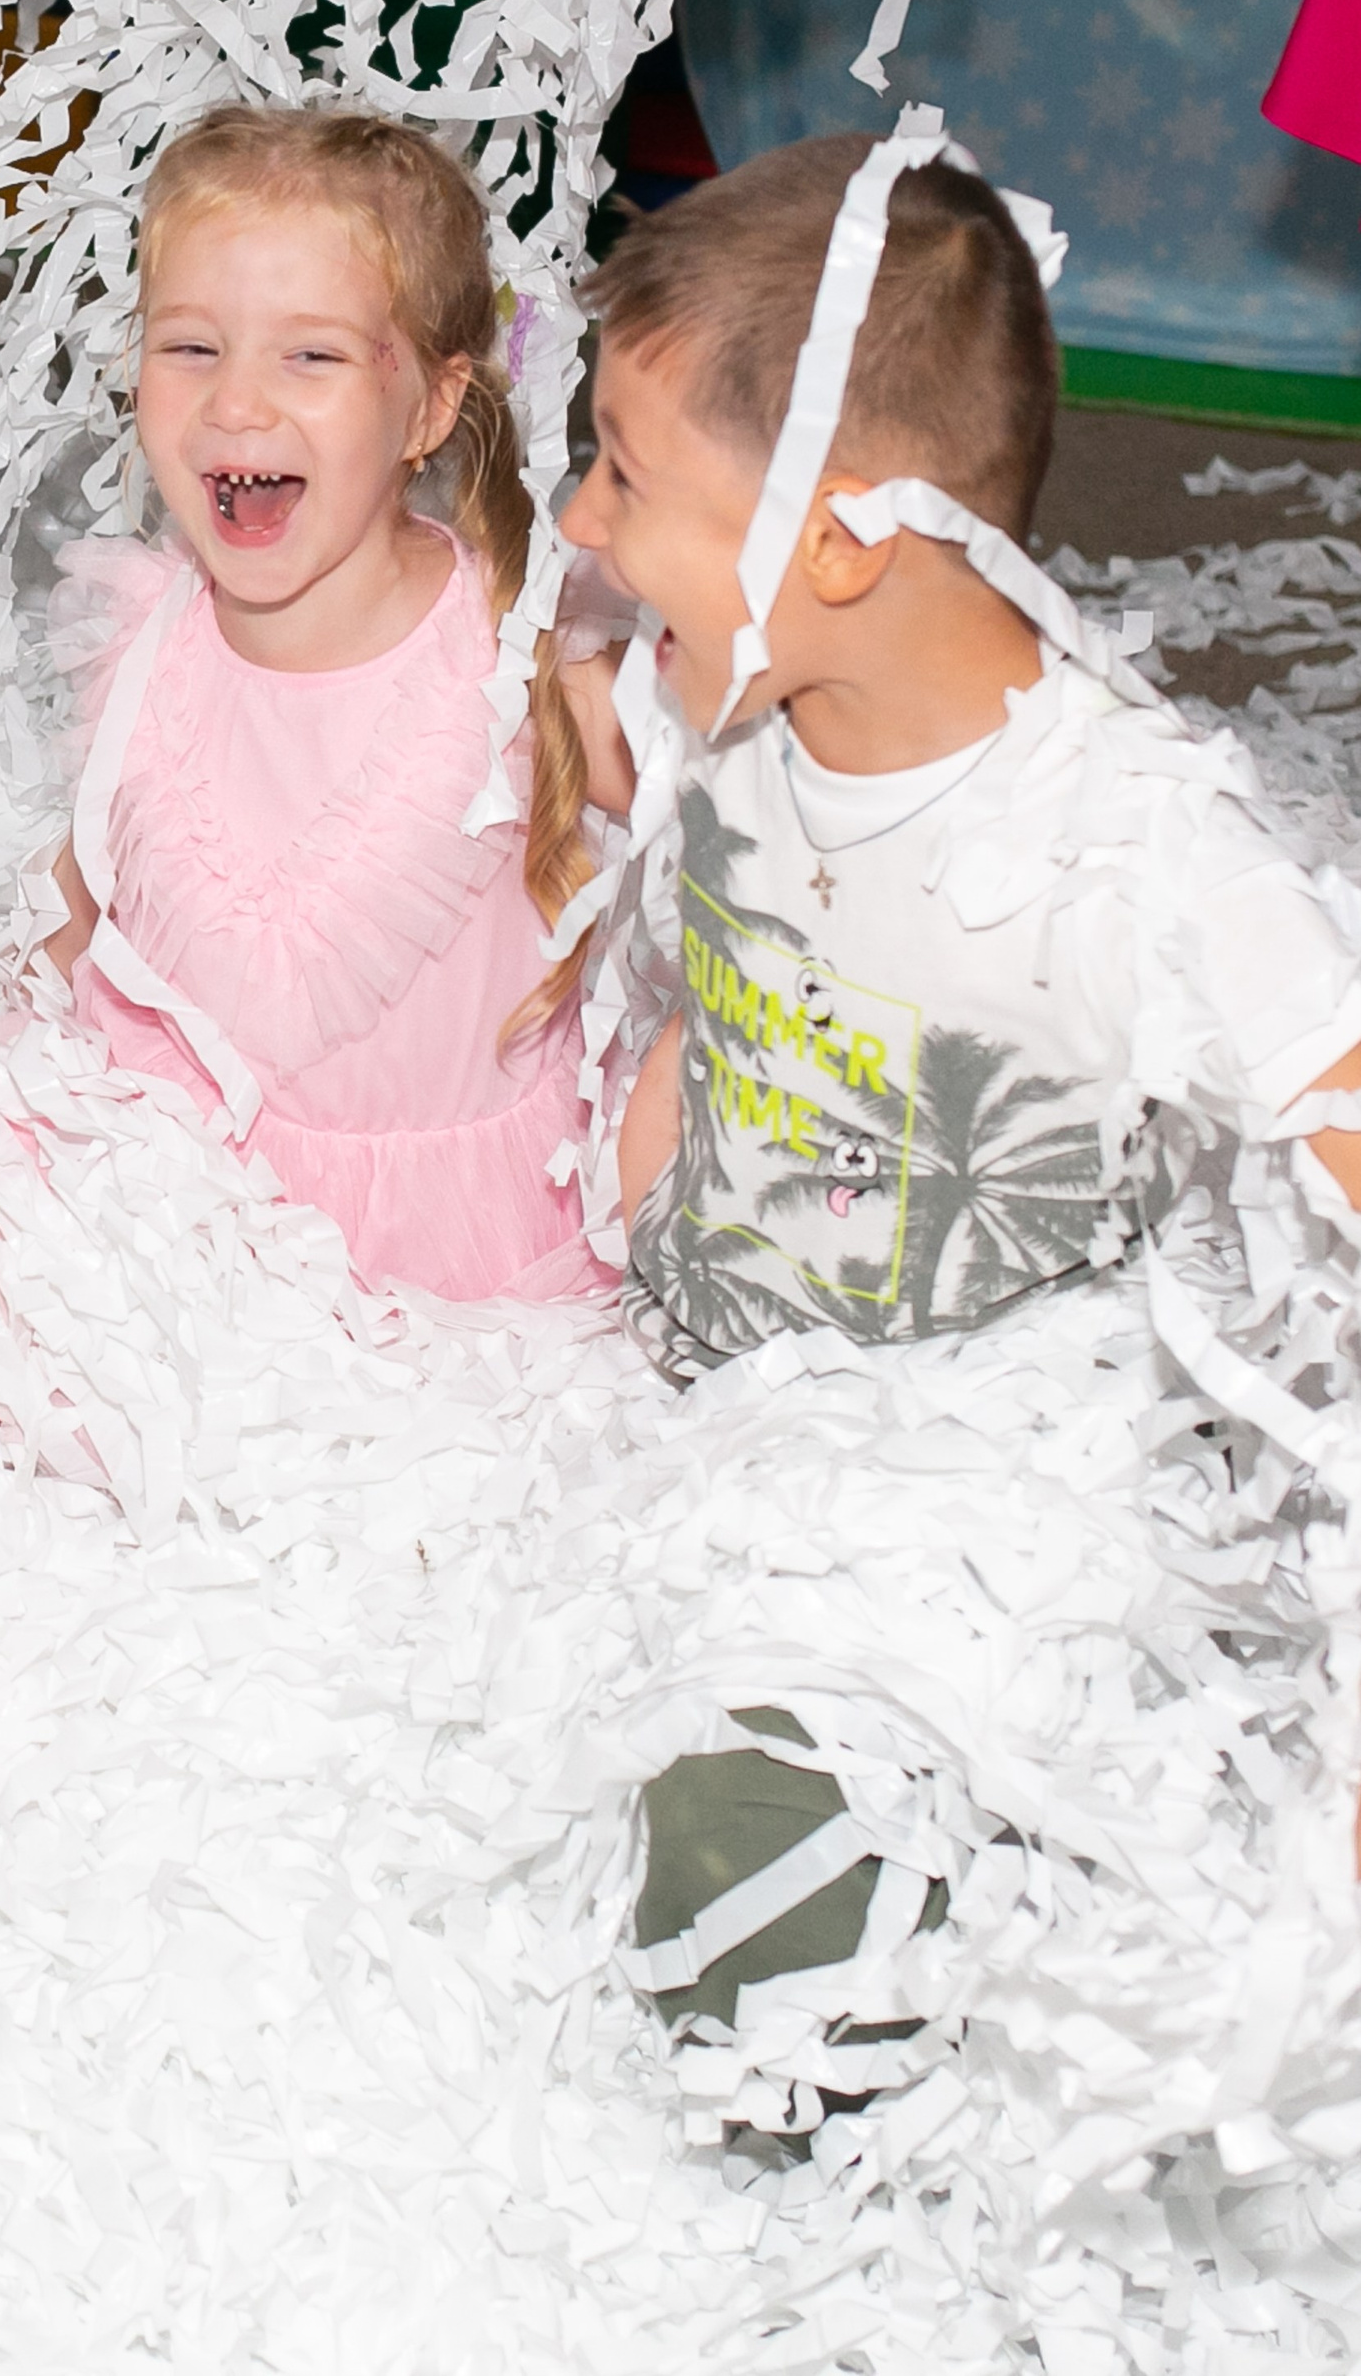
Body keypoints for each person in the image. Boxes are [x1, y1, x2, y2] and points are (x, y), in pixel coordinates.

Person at [557, 131, 1361, 2136]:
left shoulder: (1122, 849)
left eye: (624, 478)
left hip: (983, 1505)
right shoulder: (714, 696)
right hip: (710, 1422)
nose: (580, 522)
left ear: (832, 542)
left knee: (747, 1956)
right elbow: (606, 809)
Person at [0, 104, 634, 1478]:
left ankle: (203, 1393)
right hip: (152, 1162)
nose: (237, 404)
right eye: (192, 348)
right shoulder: (150, 628)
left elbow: (741, 810)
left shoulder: (516, 659)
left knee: (357, 1456)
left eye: (311, 356)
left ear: (431, 406)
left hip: (403, 1227)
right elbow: (102, 880)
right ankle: (121, 1362)